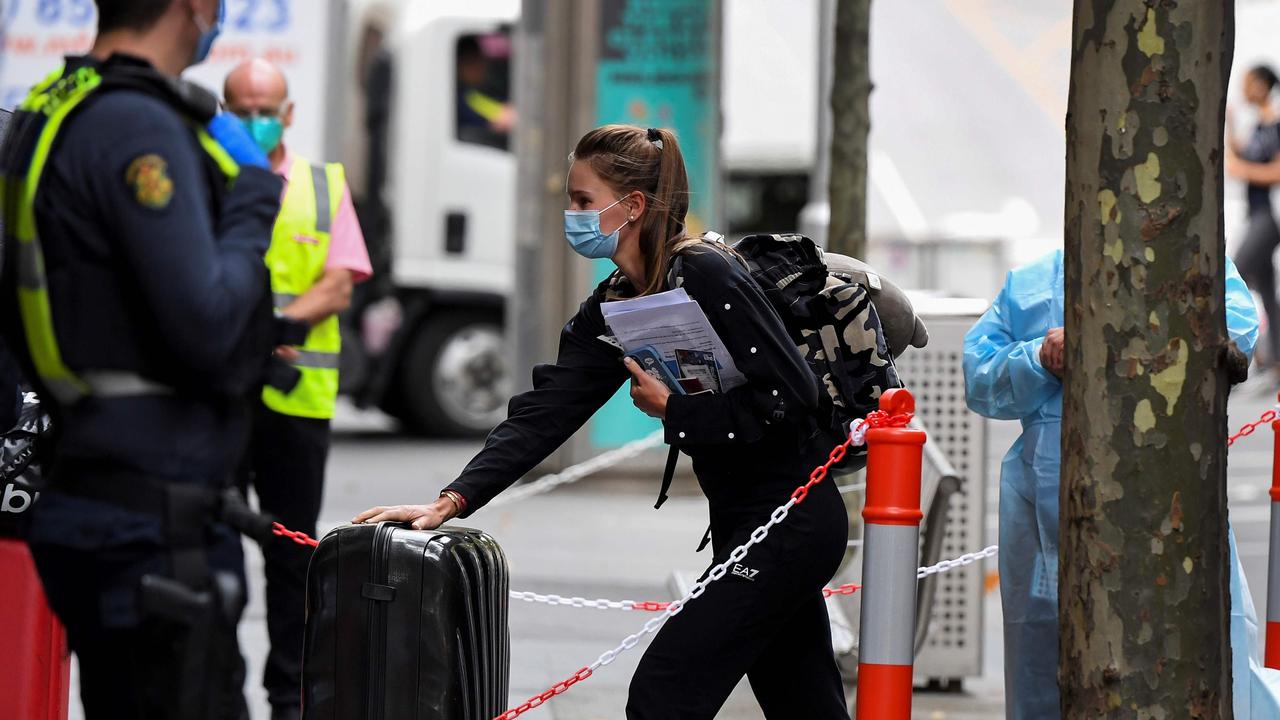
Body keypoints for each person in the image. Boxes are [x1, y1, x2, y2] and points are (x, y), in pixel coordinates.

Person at [354, 125, 851, 719]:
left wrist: (677, 412)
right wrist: (451, 501)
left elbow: (792, 396)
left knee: (664, 692)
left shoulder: (707, 274)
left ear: (633, 206)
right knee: (806, 706)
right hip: (745, 522)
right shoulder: (617, 301)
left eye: (583, 201)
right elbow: (548, 409)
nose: (571, 213)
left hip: (792, 522)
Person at [0, 1, 283, 717]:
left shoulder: (54, 102)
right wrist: (252, 207)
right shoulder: (136, 124)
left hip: (94, 478)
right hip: (149, 517)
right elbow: (208, 322)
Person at [963, 249, 1280, 719]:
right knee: (1045, 658)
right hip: (1051, 516)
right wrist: (1037, 358)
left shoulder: (1196, 261)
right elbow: (980, 376)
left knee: (1194, 645)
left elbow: (1236, 334)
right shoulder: (1031, 286)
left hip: (1167, 501)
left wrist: (1127, 342)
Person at [222, 57, 371, 720]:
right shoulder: (203, 171)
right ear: (224, 109)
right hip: (219, 393)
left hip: (295, 400)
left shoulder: (321, 183)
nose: (255, 119)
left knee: (292, 554)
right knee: (209, 545)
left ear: (288, 113)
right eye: (241, 106)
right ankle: (212, 686)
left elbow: (340, 281)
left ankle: (289, 698)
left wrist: (272, 325)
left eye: (266, 107)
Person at [1227, 65, 1280, 371]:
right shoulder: (1261, 125)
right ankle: (1273, 359)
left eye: (1248, 84)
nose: (1244, 89)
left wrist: (1241, 170)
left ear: (1261, 85)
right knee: (1265, 284)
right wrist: (1230, 124)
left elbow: (1275, 171)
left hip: (1269, 216)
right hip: (1257, 213)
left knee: (1238, 272)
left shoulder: (1274, 124)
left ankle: (1242, 349)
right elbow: (1244, 152)